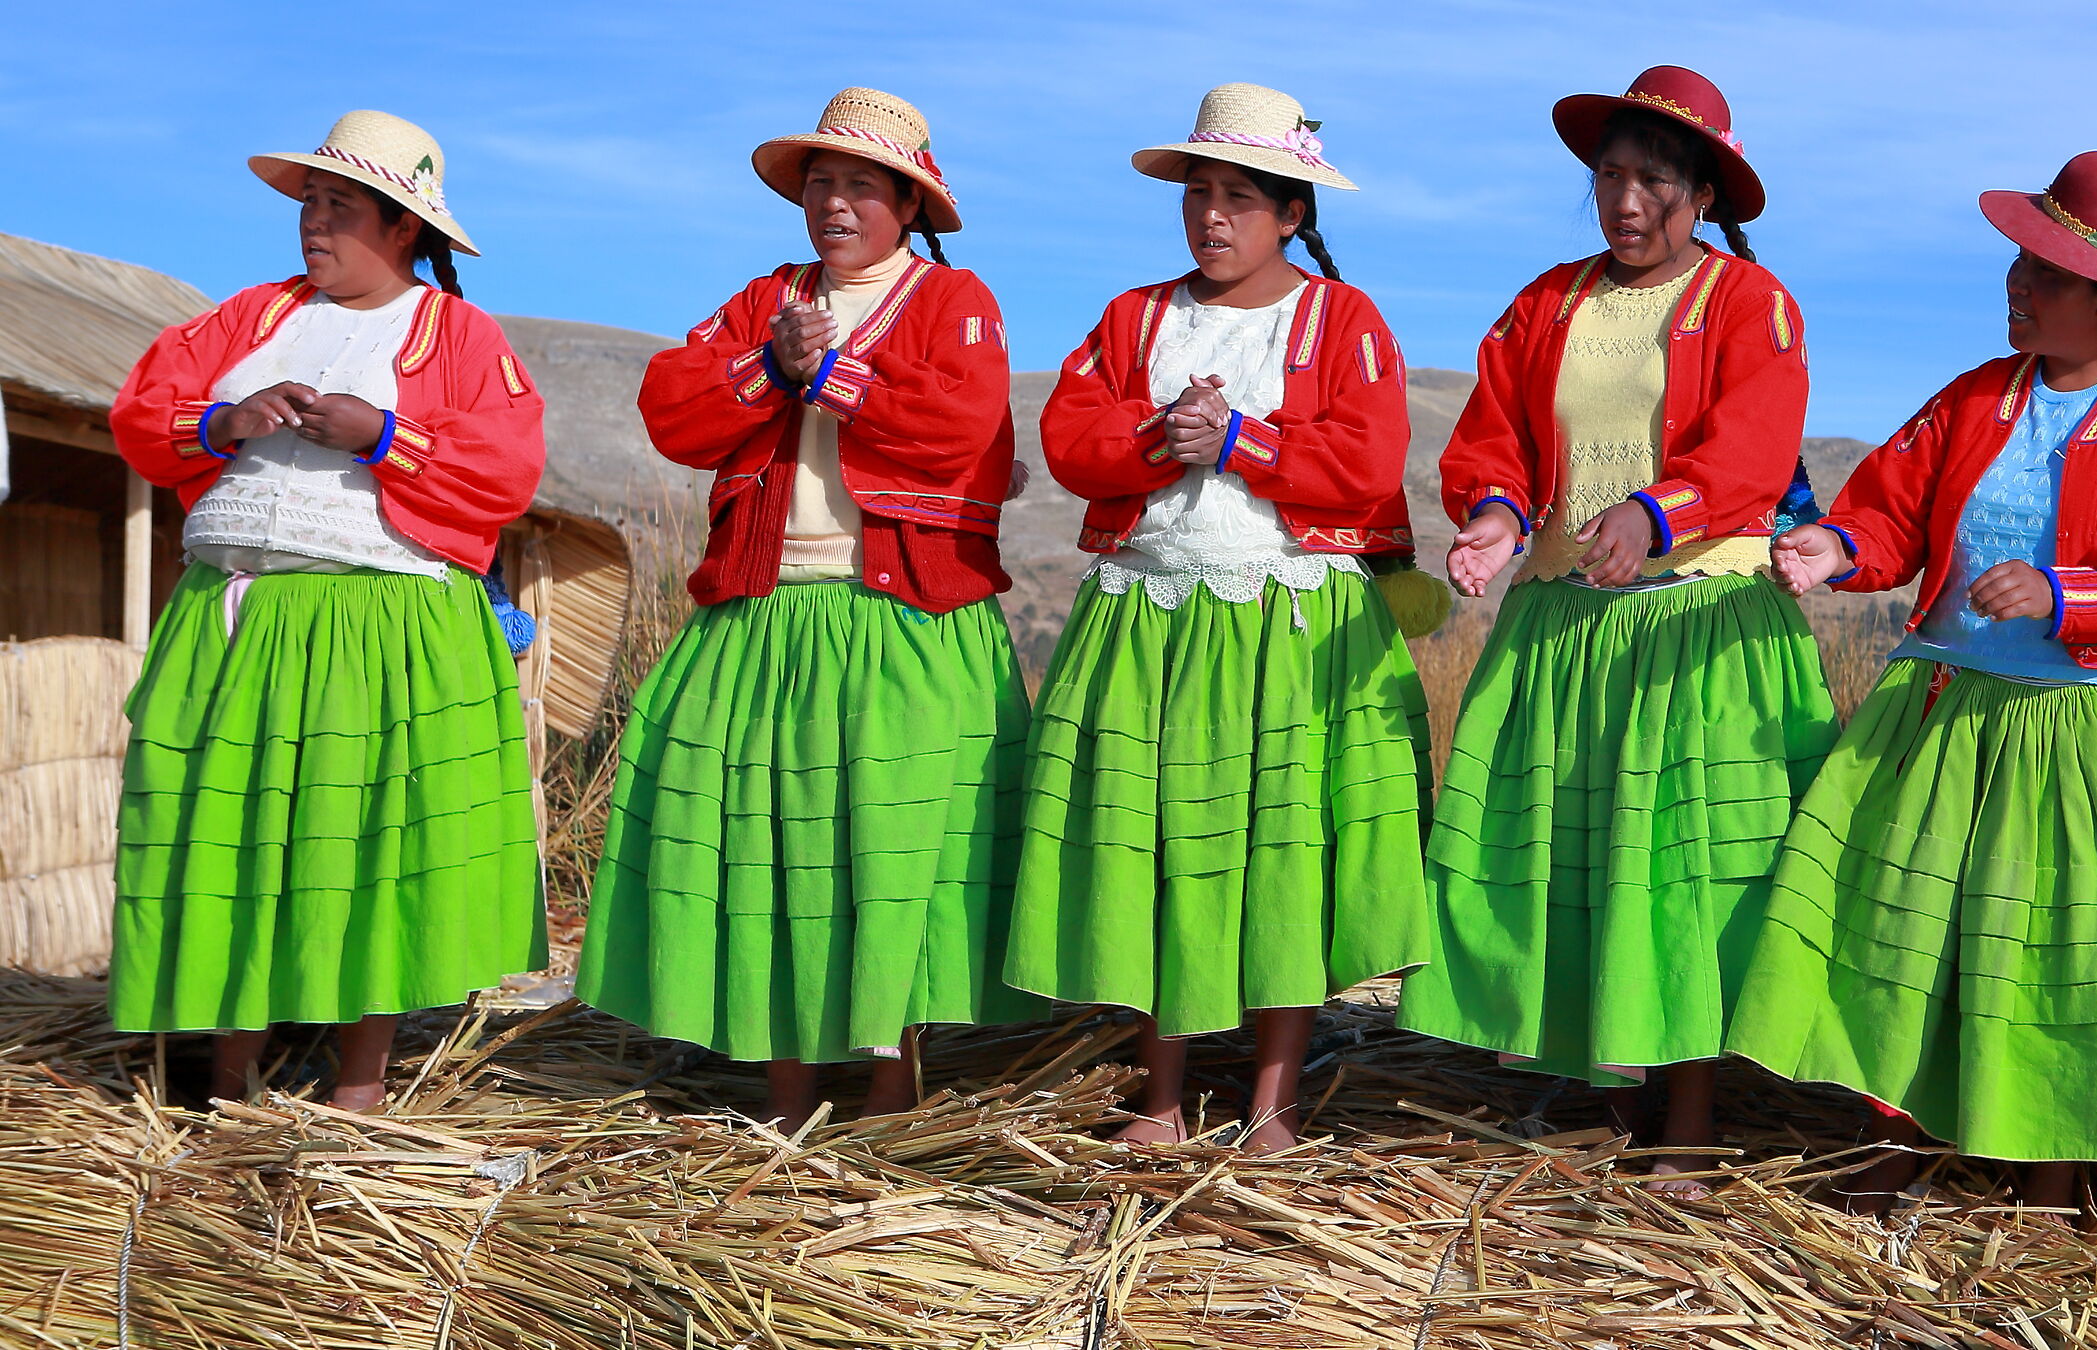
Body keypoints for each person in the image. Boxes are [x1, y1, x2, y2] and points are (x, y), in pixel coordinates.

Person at [1731, 151, 2097, 1214]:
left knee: (2058, 945)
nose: (2017, 283)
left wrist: (2064, 591)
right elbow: (1893, 502)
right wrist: (1837, 547)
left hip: (2082, 724)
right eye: (2020, 261)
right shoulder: (1978, 394)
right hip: (1947, 708)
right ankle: (1891, 1137)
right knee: (1903, 923)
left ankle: (2053, 1169)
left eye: (2047, 272)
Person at [1395, 66, 1835, 1192]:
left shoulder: (1751, 304)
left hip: (1693, 627)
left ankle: (1688, 1117)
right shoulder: (1546, 302)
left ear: (1704, 196)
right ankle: (1610, 1095)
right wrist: (1495, 521)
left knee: (1678, 867)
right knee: (1582, 855)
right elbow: (1497, 433)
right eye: (1609, 177)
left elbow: (1751, 448)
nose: (1626, 202)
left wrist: (1654, 514)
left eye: (1654, 182)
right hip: (1566, 629)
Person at [575, 89, 1038, 1125]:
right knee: (772, 847)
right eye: (820, 182)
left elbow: (958, 423)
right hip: (766, 606)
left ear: (909, 204)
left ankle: (890, 1085)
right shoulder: (765, 301)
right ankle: (783, 1086)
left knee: (892, 847)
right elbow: (673, 408)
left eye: (861, 186)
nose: (834, 202)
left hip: (901, 612)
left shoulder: (952, 301)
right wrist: (769, 366)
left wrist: (827, 373)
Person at [1006, 83, 1431, 1152]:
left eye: (1240, 197)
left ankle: (1272, 1102)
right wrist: (1164, 435)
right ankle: (1160, 1097)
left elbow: (1368, 458)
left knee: (1281, 847)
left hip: (1287, 618)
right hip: (1149, 615)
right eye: (1198, 193)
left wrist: (1243, 440)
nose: (1211, 216)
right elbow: (1069, 437)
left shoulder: (1342, 320)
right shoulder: (1134, 318)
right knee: (1158, 846)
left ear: (1291, 213)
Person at [108, 111, 547, 1110]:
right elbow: (141, 411)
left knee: (363, 844)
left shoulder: (458, 335)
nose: (313, 221)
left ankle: (359, 1084)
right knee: (233, 837)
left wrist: (383, 433)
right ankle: (228, 1078)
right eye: (309, 201)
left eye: (340, 205)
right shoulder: (249, 318)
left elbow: (506, 469)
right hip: (240, 619)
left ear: (403, 225)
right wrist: (225, 420)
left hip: (377, 624)